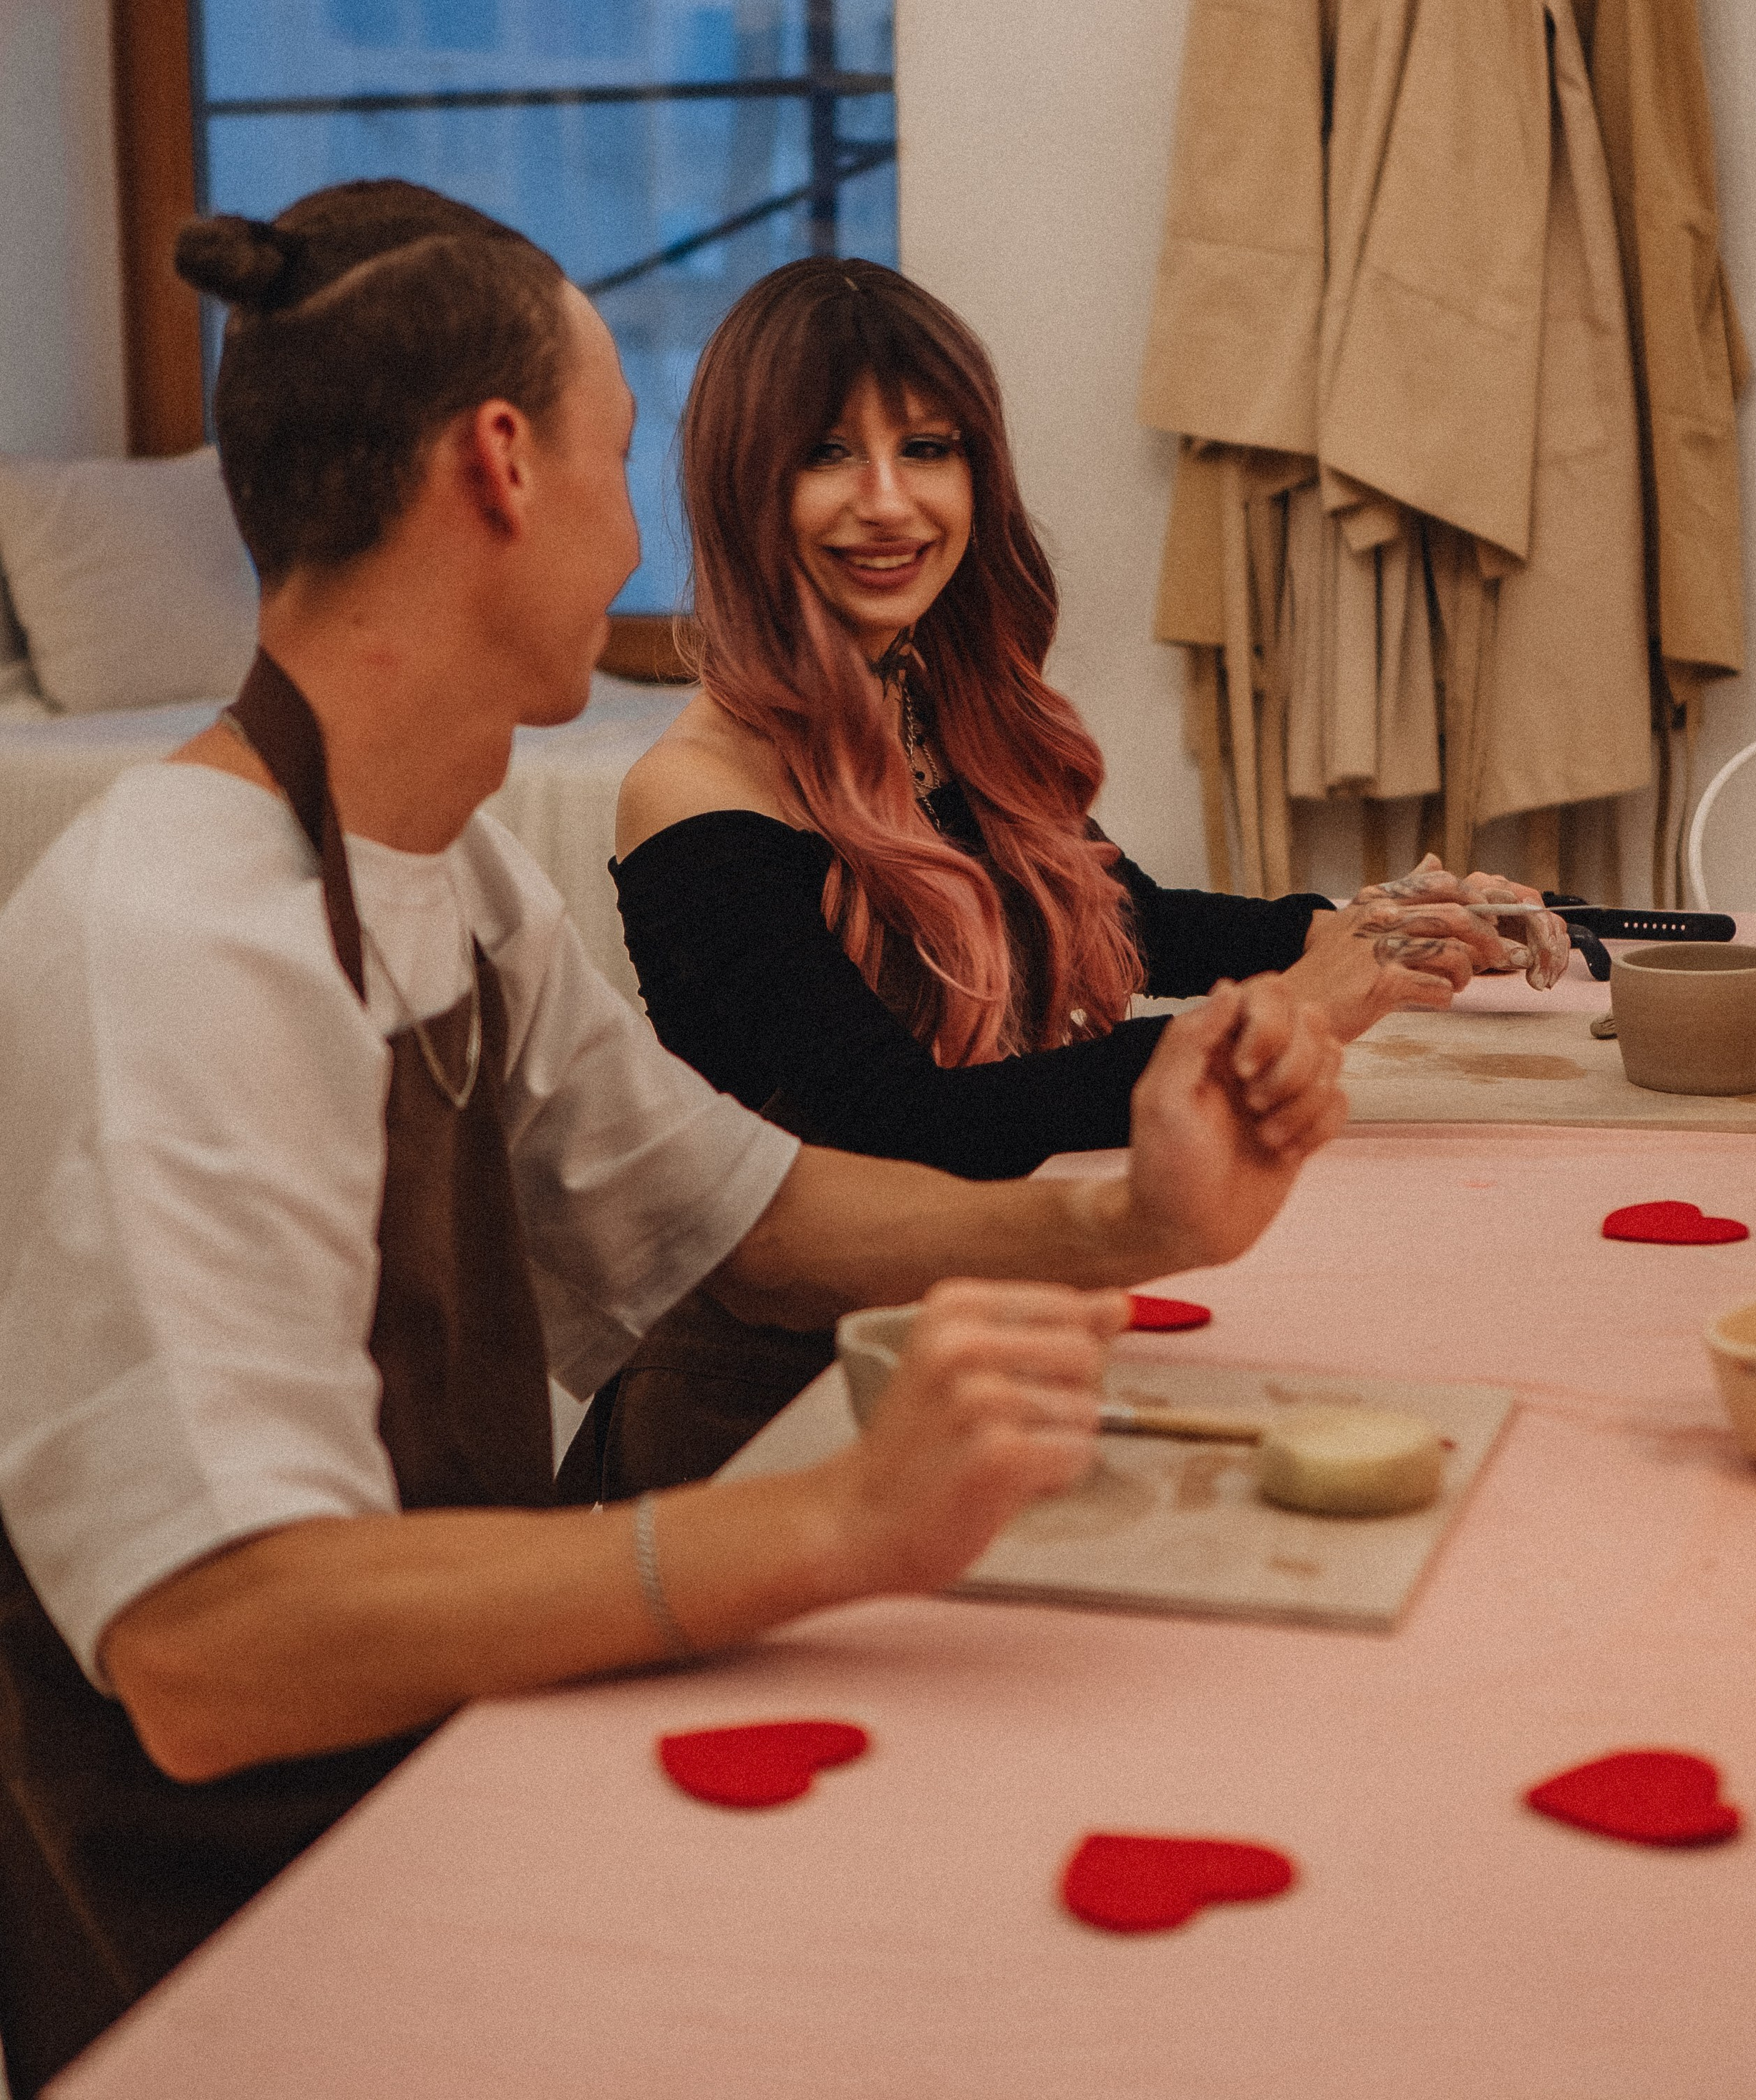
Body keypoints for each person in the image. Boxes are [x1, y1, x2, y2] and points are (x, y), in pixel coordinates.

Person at [0, 183, 1346, 2099]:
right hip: (252, 1933)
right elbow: (219, 1656)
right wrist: (829, 1524)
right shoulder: (174, 938)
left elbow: (743, 1214)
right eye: (624, 459)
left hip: (456, 1765)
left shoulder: (442, 869)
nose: (646, 531)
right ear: (500, 467)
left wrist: (1133, 1222)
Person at [606, 258, 1568, 1486]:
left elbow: (1127, 919)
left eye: (929, 449)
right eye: (829, 455)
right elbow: (906, 1128)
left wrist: (1370, 925)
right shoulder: (694, 795)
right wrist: (1282, 1015)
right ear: (745, 488)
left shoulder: (930, 705)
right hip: (774, 1407)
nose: (891, 503)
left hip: (978, 1341)